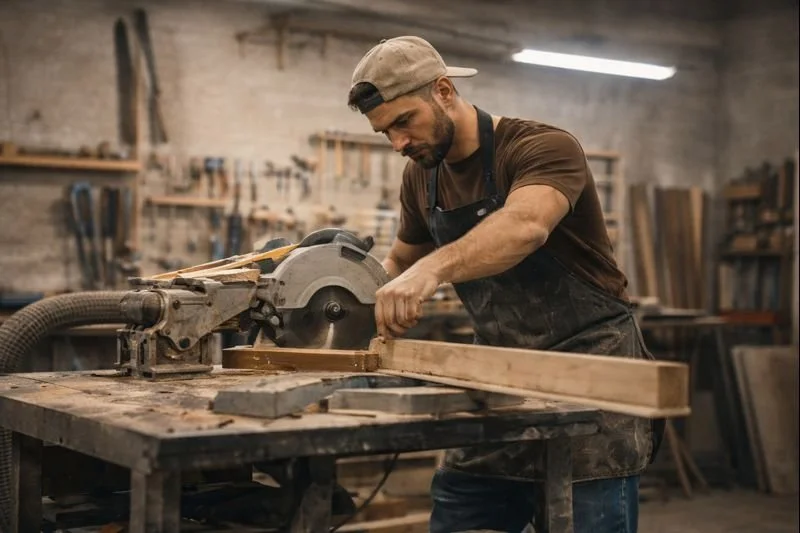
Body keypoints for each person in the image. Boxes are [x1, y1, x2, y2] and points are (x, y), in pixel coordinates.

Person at [346, 35, 662, 533]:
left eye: (404, 121)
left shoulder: (542, 147)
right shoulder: (421, 177)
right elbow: (399, 261)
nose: (399, 143)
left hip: (592, 377)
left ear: (445, 91)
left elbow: (525, 227)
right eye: (386, 132)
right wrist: (350, 298)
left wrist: (430, 272)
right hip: (500, 375)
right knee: (462, 512)